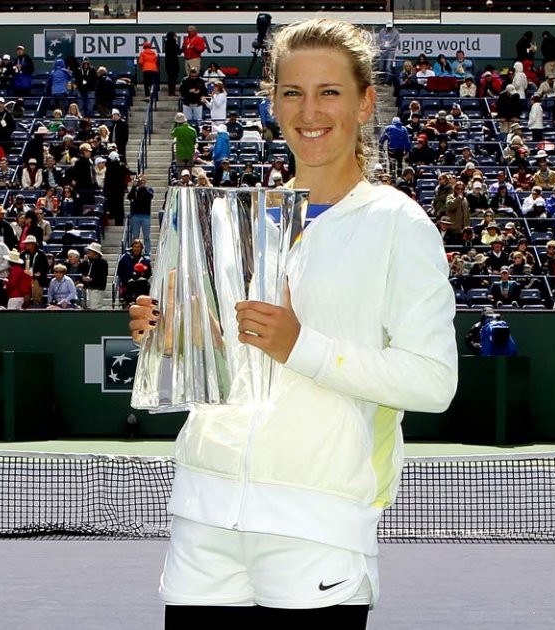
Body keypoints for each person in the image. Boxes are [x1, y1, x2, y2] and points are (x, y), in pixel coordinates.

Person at [128, 18, 457, 627]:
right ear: (273, 102)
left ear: (364, 103)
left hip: (316, 527)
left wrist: (303, 345)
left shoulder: (399, 225)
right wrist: (172, 337)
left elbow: (432, 382)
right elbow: (227, 365)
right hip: (205, 516)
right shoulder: (241, 219)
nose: (311, 110)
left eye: (330, 91)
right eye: (293, 92)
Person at [80, 242, 108, 310]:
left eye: (90, 251)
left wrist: (91, 279)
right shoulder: (90, 261)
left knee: (96, 307)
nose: (88, 252)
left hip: (97, 288)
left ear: (95, 252)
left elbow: (101, 276)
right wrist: (85, 263)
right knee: (90, 307)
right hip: (89, 287)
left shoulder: (102, 262)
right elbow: (84, 272)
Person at [164, 32, 181, 97]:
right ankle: (172, 92)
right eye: (175, 36)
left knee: (170, 77)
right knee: (173, 77)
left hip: (168, 62)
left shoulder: (166, 44)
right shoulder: (174, 44)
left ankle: (170, 91)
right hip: (174, 62)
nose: (176, 38)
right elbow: (178, 52)